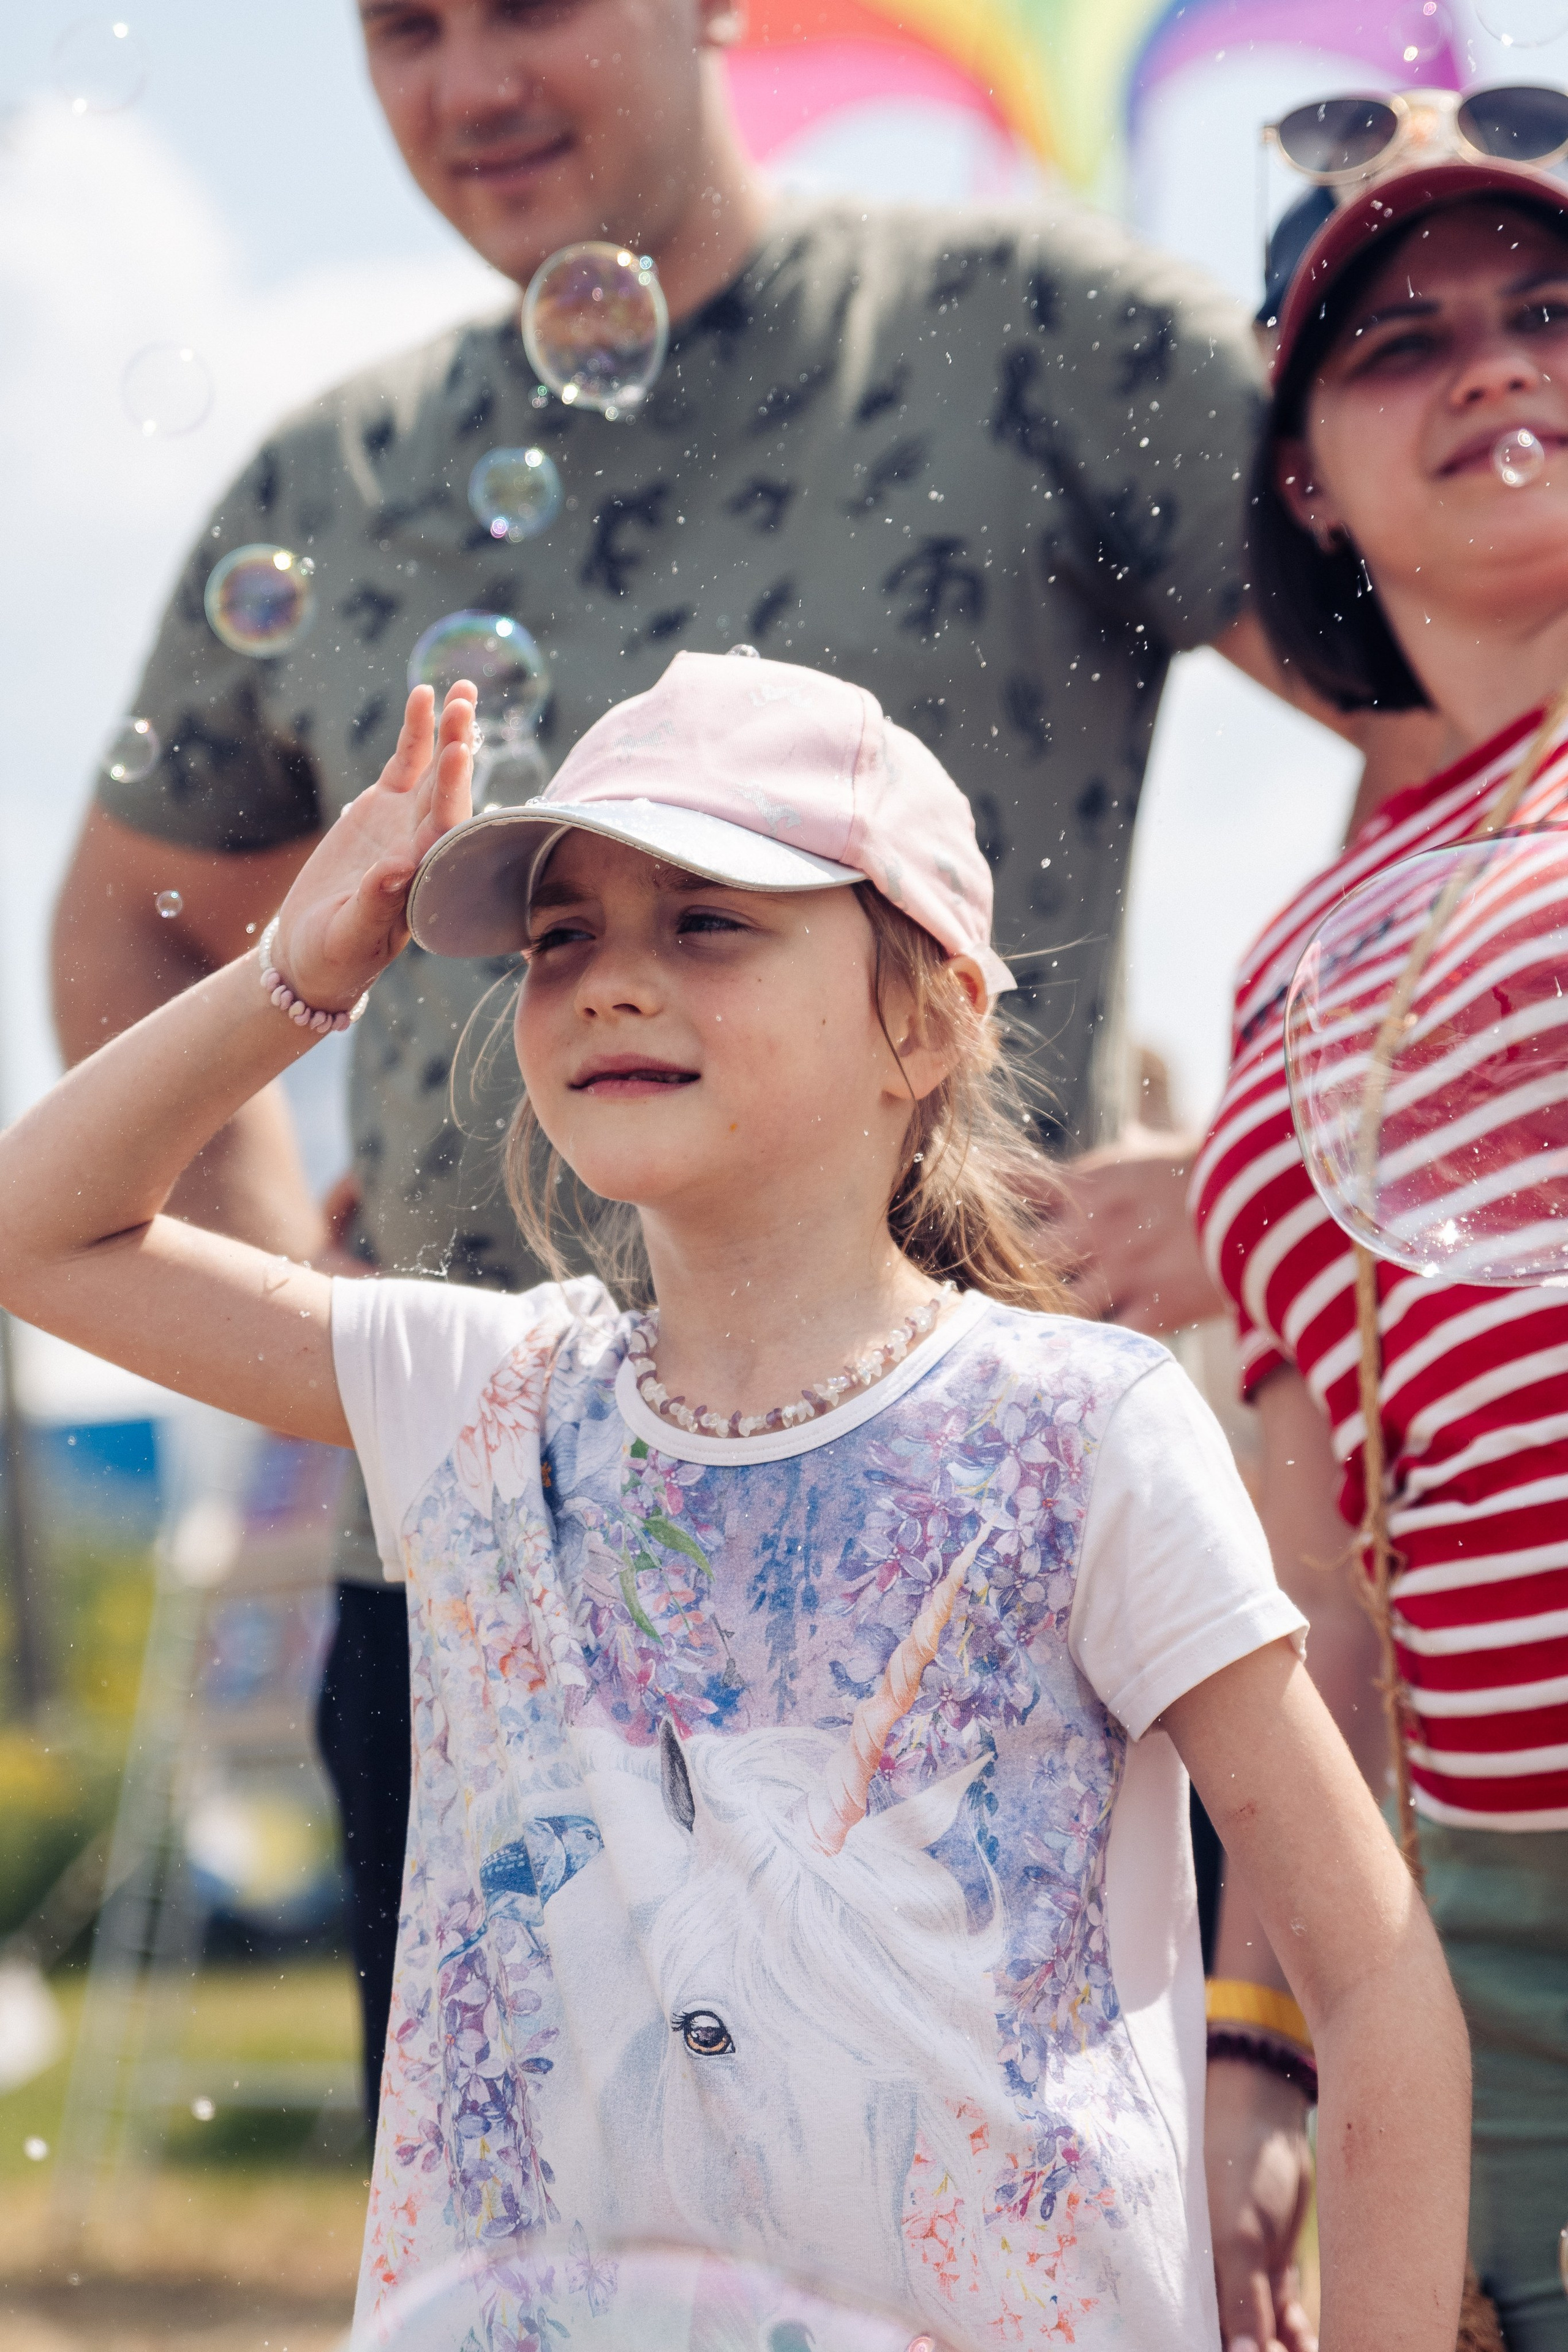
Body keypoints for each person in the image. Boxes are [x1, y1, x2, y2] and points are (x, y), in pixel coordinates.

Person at [50, 0, 1283, 2119]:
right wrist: (296, 1305)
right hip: (471, 1593)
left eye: (532, 4)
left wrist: (1284, 1159)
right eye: (405, 28)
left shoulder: (1042, 343)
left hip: (969, 1559)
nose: (469, 86)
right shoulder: (334, 477)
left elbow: (1476, 679)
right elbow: (132, 916)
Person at [4, 647, 1467, 2345]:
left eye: (708, 922)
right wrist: (300, 976)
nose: (613, 983)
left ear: (927, 1017)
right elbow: (42, 1234)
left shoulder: (1080, 1432)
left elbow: (1373, 1975)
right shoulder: (485, 1400)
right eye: (561, 940)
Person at [1181, 132, 1568, 2351]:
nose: (1496, 367)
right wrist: (1260, 2039)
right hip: (1474, 1946)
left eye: (1551, 317)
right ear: (1306, 483)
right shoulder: (1297, 962)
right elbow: (1325, 1578)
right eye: (1403, 342)